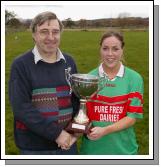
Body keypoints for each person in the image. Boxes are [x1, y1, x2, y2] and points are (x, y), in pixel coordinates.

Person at [9, 11, 79, 155]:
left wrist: (75, 130)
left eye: (55, 32)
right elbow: (21, 107)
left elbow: (76, 100)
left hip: (67, 144)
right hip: (34, 148)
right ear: (34, 35)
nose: (51, 37)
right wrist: (57, 133)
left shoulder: (69, 62)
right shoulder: (21, 64)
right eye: (44, 32)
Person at [80, 31, 144, 155]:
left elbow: (131, 118)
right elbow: (83, 114)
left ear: (122, 50)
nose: (110, 54)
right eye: (105, 48)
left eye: (115, 49)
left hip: (124, 151)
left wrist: (105, 130)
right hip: (92, 151)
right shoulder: (89, 78)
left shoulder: (135, 78)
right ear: (100, 50)